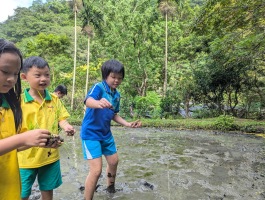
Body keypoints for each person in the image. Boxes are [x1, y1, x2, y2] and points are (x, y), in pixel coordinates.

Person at [81, 59, 142, 199]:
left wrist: (127, 124)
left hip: (106, 134)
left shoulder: (117, 95)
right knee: (96, 171)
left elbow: (114, 114)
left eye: (120, 78)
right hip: (91, 134)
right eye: (113, 77)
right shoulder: (99, 87)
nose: (116, 80)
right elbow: (88, 101)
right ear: (105, 75)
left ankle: (110, 188)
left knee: (114, 161)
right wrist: (98, 102)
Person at [17, 56, 76, 200]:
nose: (43, 79)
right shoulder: (19, 101)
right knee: (22, 193)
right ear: (24, 77)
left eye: (47, 75)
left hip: (50, 156)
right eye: (38, 75)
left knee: (48, 190)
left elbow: (61, 118)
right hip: (25, 159)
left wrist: (67, 126)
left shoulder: (54, 99)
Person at [0, 39, 51, 200]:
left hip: (10, 188)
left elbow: (12, 146)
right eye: (5, 71)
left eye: (15, 74)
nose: (11, 79)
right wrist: (23, 138)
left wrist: (37, 141)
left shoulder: (9, 105)